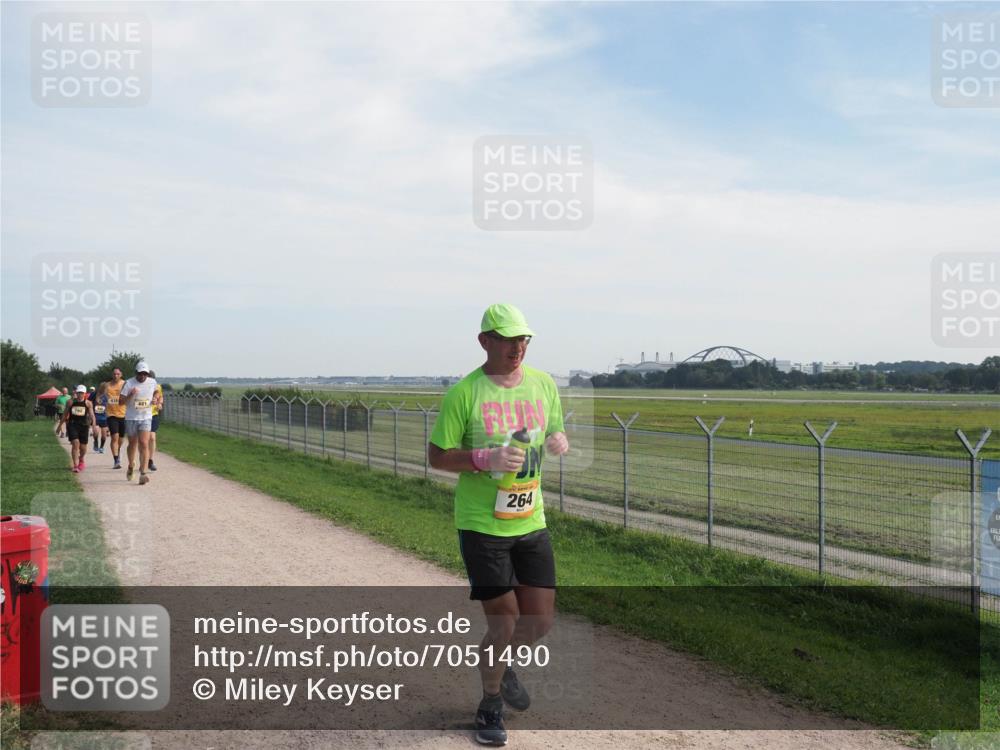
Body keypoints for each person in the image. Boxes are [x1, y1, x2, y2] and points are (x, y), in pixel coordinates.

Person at [428, 303, 569, 747]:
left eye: (523, 339)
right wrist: (482, 458)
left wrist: (559, 439)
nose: (517, 347)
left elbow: (553, 429)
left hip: (531, 519)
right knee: (504, 622)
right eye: (508, 339)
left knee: (539, 621)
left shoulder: (543, 384)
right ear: (485, 341)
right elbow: (437, 457)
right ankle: (490, 705)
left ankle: (502, 664)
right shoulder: (465, 393)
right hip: (482, 526)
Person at [120, 361, 158, 485]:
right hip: (131, 417)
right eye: (140, 373)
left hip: (146, 417)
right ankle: (131, 465)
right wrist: (131, 394)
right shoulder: (129, 383)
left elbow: (156, 391)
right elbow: (121, 402)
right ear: (136, 373)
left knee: (144, 443)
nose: (142, 376)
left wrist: (155, 398)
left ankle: (143, 473)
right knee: (132, 444)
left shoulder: (152, 382)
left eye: (145, 374)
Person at [60, 385, 95, 473]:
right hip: (73, 425)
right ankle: (75, 465)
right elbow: (65, 414)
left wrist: (94, 425)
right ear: (76, 393)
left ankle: (81, 459)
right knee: (75, 443)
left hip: (84, 426)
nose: (80, 394)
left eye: (82, 393)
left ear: (85, 394)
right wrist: (59, 426)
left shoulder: (88, 403)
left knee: (83, 447)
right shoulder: (70, 402)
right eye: (78, 393)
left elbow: (92, 415)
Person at [105, 368, 127, 469]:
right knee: (114, 437)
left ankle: (118, 450)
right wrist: (99, 399)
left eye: (118, 374)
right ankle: (116, 460)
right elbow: (100, 394)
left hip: (123, 414)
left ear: (121, 375)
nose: (116, 376)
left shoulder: (125, 384)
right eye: (114, 374)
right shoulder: (107, 385)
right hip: (111, 414)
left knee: (121, 439)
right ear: (112, 375)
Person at [147, 370, 163, 471]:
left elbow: (160, 397)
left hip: (153, 414)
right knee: (144, 440)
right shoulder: (141, 387)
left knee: (152, 437)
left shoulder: (158, 387)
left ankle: (150, 460)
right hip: (143, 415)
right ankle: (143, 458)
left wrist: (159, 403)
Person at [93, 382, 110, 454]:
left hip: (104, 418)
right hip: (95, 417)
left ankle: (101, 447)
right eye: (105, 388)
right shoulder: (94, 394)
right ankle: (95, 442)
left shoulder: (107, 396)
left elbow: (109, 407)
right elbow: (89, 402)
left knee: (104, 435)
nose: (106, 389)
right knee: (96, 432)